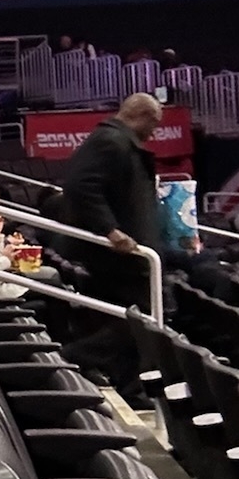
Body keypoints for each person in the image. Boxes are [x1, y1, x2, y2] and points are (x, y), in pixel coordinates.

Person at [59, 93, 165, 392]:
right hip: (120, 255)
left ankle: (131, 386)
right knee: (141, 320)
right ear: (141, 116)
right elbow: (80, 186)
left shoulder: (116, 141)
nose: (154, 132)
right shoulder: (110, 140)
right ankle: (72, 356)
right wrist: (110, 230)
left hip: (129, 252)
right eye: (154, 124)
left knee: (133, 320)